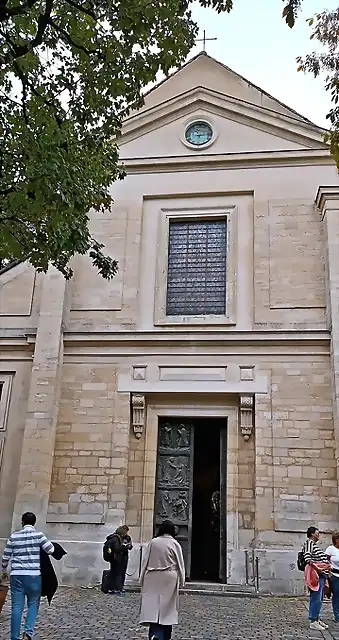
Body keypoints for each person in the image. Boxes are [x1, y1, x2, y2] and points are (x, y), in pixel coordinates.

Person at [0, 512, 54, 640]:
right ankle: (28, 633)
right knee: (33, 604)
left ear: (22, 522)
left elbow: (5, 556)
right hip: (34, 575)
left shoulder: (14, 536)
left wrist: (3, 571)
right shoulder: (39, 535)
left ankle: (14, 637)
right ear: (34, 523)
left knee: (16, 607)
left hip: (17, 575)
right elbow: (50, 550)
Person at [140, 520, 185, 640]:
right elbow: (180, 563)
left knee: (153, 607)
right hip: (169, 577)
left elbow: (145, 560)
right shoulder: (174, 543)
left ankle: (155, 634)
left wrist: (141, 578)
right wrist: (182, 579)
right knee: (167, 609)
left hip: (152, 576)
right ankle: (165, 636)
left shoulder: (153, 542)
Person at [303, 525, 330, 631]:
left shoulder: (313, 545)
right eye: (317, 533)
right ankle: (313, 620)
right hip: (316, 573)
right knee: (316, 597)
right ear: (312, 534)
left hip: (321, 573)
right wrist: (318, 569)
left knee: (319, 598)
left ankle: (316, 618)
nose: (319, 535)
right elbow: (308, 558)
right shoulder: (309, 543)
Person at [326, 531, 339, 622]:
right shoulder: (331, 549)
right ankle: (337, 615)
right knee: (337, 595)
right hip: (335, 575)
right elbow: (324, 560)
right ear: (336, 539)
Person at [120, 525, 133, 593]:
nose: (126, 533)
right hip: (119, 555)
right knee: (117, 572)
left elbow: (131, 546)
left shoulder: (128, 538)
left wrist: (129, 546)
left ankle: (121, 585)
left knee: (123, 571)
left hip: (125, 555)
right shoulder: (118, 537)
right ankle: (117, 586)